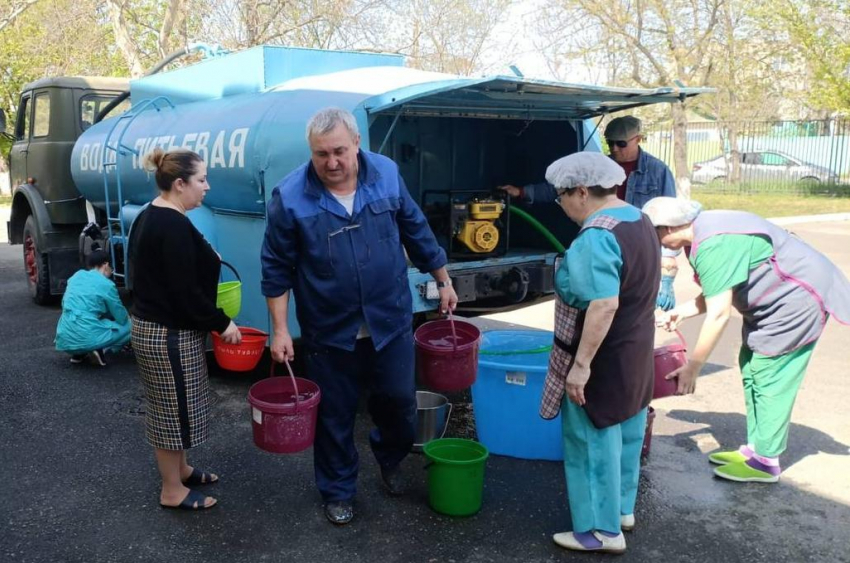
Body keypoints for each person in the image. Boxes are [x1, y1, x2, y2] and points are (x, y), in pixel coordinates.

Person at [261, 107, 458, 525]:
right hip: (330, 329)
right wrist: (279, 330)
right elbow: (276, 266)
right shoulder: (290, 195)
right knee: (335, 415)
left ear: (356, 145)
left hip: (390, 319)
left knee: (400, 404)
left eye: (338, 152)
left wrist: (443, 280)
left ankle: (390, 458)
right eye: (320, 154)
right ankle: (338, 490)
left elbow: (415, 228)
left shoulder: (385, 174)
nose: (331, 163)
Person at [644, 197, 850, 483]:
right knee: (751, 366)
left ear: (666, 228)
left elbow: (719, 314)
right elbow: (720, 288)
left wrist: (694, 366)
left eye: (652, 233)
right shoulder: (699, 234)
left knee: (770, 375)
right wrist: (681, 312)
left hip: (796, 301)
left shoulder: (713, 244)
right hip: (775, 302)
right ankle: (756, 449)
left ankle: (766, 462)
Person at [538, 152, 660, 554]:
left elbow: (603, 304)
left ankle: (599, 532)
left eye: (562, 197)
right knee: (625, 435)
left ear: (582, 191)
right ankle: (622, 511)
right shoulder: (638, 219)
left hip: (603, 358)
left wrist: (581, 367)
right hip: (636, 351)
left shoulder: (597, 236)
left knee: (591, 443)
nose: (562, 206)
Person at [129, 148, 242, 511]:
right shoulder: (171, 224)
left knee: (179, 407)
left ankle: (181, 470)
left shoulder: (155, 213)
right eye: (201, 180)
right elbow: (184, 293)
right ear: (180, 184)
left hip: (160, 330)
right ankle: (171, 490)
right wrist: (222, 323)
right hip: (167, 335)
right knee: (170, 412)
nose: (207, 187)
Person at [498, 115, 679, 310]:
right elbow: (559, 187)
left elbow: (670, 216)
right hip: (607, 247)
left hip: (639, 250)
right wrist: (522, 192)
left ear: (638, 139)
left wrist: (667, 271)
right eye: (610, 143)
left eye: (621, 143)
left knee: (634, 306)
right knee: (603, 302)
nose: (615, 149)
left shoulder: (659, 171)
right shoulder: (599, 169)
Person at [55, 248, 131, 366]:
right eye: (112, 268)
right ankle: (103, 350)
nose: (111, 271)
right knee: (132, 326)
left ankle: (79, 354)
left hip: (65, 338)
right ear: (106, 264)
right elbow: (121, 317)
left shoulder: (76, 276)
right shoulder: (107, 284)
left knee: (90, 317)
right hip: (87, 336)